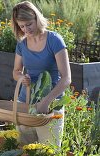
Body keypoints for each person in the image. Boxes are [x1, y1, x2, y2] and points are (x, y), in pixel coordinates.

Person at [12, 1, 71, 147]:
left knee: (48, 154)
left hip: (50, 107)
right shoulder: (22, 44)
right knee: (23, 153)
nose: (26, 29)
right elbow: (16, 71)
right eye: (22, 26)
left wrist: (45, 102)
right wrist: (21, 77)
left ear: (37, 18)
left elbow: (66, 78)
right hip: (24, 103)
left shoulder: (54, 40)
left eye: (29, 24)